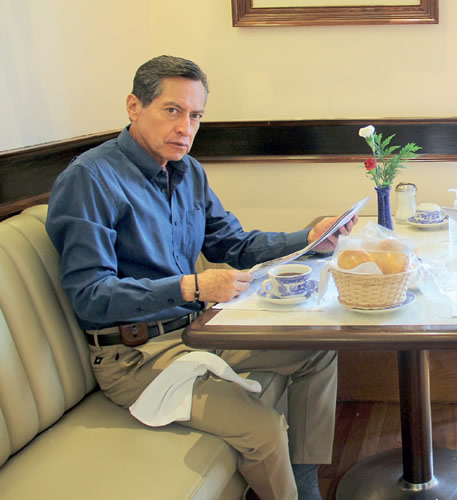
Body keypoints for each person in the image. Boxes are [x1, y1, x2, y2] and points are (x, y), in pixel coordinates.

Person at [46, 55, 354, 500]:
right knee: (263, 427)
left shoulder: (188, 172)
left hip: (196, 333)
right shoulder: (90, 179)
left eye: (195, 115)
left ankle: (304, 483)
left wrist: (309, 237)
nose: (185, 127)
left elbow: (234, 245)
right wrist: (191, 287)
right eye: (172, 111)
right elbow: (90, 295)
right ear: (134, 106)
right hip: (135, 356)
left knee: (317, 351)